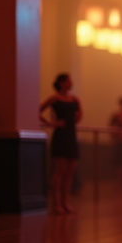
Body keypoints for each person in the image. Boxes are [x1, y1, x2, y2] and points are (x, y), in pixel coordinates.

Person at [39, 74, 82, 214]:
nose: (71, 83)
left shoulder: (75, 99)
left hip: (71, 135)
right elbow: (38, 110)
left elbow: (79, 115)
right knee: (59, 171)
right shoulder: (55, 98)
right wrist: (52, 123)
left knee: (70, 172)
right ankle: (56, 203)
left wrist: (75, 119)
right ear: (62, 83)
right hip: (60, 136)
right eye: (69, 80)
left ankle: (65, 202)